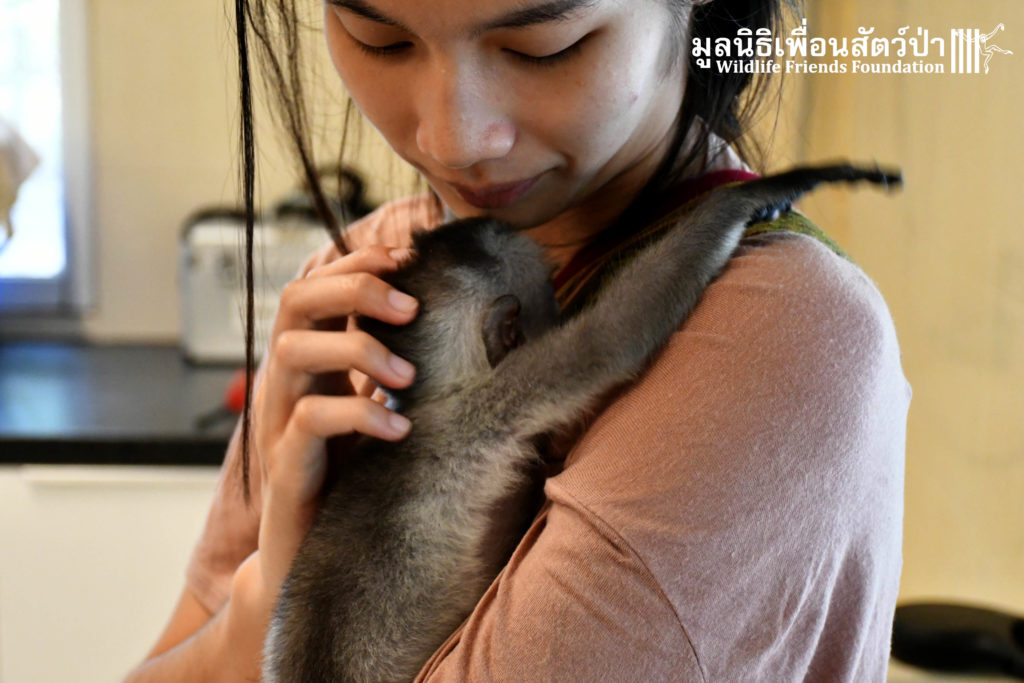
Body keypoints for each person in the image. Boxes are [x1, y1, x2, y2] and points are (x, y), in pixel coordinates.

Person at [126, 0, 910, 680]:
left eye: (543, 47)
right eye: (378, 38)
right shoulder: (355, 278)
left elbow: (606, 339)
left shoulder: (772, 332)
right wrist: (262, 607)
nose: (453, 140)